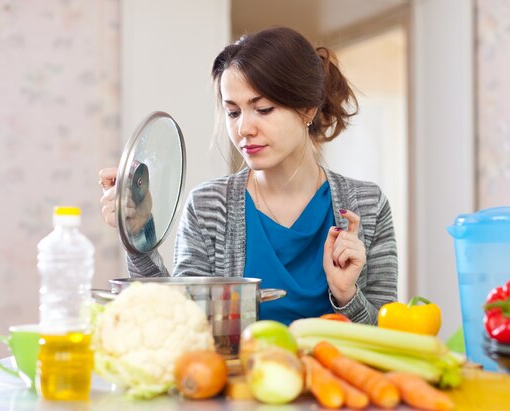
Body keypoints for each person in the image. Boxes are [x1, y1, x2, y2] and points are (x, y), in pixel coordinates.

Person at [99, 26, 398, 325]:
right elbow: (177, 323)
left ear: (308, 109)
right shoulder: (208, 206)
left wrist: (348, 295)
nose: (244, 129)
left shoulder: (368, 205)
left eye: (263, 109)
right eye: (233, 113)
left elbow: (389, 341)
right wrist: (139, 237)